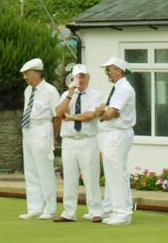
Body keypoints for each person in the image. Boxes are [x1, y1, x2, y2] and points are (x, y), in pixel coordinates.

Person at [53, 64, 105, 222]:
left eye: (83, 77)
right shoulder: (66, 95)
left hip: (87, 140)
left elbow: (90, 115)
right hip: (69, 141)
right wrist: (69, 95)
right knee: (69, 178)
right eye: (77, 77)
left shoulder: (96, 95)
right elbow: (59, 113)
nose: (80, 80)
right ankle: (68, 212)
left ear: (88, 78)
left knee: (91, 177)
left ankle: (96, 211)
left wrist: (72, 117)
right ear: (72, 79)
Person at [95, 56, 136, 226]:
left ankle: (123, 213)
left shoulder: (124, 88)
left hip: (118, 133)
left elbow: (110, 113)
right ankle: (116, 210)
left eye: (109, 69)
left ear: (119, 70)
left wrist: (103, 114)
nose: (106, 72)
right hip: (111, 133)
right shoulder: (115, 88)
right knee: (112, 172)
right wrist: (104, 111)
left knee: (117, 172)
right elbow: (102, 108)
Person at [18, 58, 60, 219]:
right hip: (28, 130)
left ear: (37, 73)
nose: (25, 78)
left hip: (43, 129)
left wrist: (54, 136)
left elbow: (57, 116)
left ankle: (50, 208)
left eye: (27, 74)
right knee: (30, 170)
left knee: (45, 170)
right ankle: (34, 207)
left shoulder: (50, 91)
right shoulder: (28, 91)